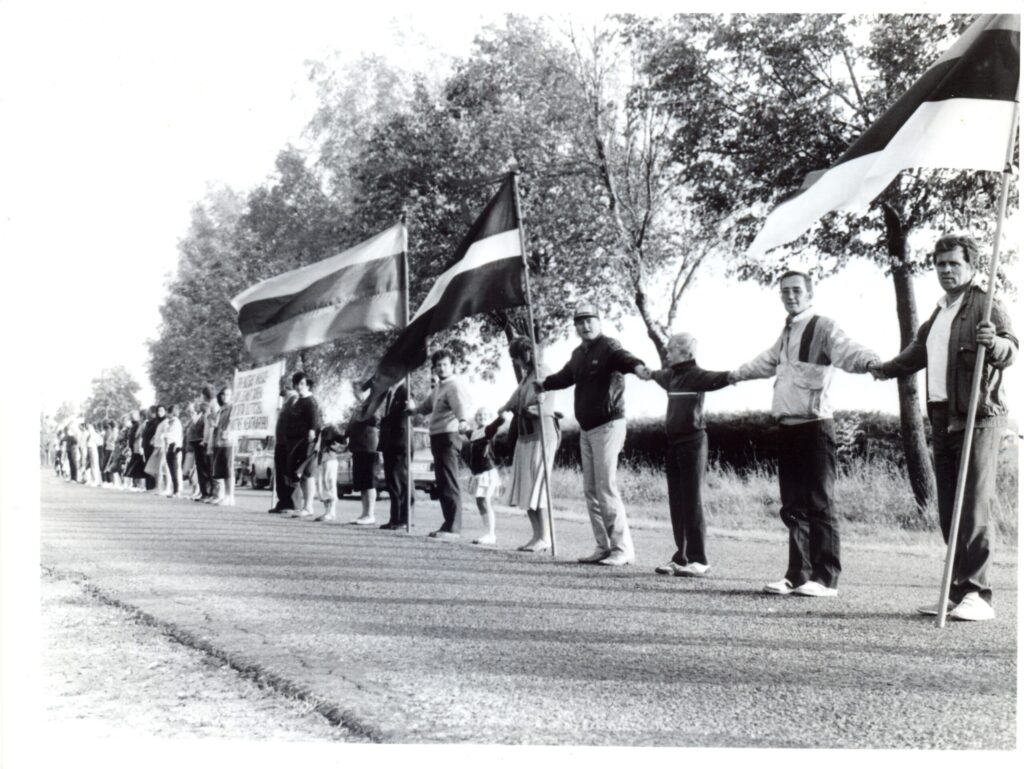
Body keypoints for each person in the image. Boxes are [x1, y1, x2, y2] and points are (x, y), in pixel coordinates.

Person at [871, 235, 1017, 622]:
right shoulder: (938, 313)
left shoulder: (986, 303)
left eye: (954, 263)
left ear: (970, 267)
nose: (947, 270)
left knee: (972, 507)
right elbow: (916, 354)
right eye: (940, 264)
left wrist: (997, 345)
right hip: (940, 417)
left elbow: (1011, 347)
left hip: (978, 416)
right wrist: (884, 369)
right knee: (949, 507)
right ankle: (957, 592)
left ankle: (979, 595)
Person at [728, 271, 879, 597]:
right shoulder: (787, 331)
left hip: (814, 428)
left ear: (810, 293)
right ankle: (798, 575)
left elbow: (846, 349)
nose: (790, 296)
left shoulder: (823, 326)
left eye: (796, 290)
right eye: (785, 291)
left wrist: (870, 362)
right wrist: (734, 374)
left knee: (819, 504)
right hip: (788, 427)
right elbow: (766, 362)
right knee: (793, 506)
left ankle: (825, 579)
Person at [538, 303, 647, 566]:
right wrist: (544, 383)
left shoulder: (609, 346)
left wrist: (639, 367)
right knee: (590, 490)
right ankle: (604, 546)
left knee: (605, 487)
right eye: (580, 322)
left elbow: (625, 358)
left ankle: (623, 549)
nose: (585, 325)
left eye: (590, 320)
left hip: (609, 425)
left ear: (599, 322)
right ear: (575, 326)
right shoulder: (578, 353)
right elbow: (565, 376)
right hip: (586, 429)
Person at [640, 333, 730, 577]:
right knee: (677, 502)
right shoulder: (670, 376)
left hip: (693, 441)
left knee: (692, 501)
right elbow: (654, 374)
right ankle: (682, 556)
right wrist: (644, 372)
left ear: (687, 353)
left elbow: (721, 378)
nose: (666, 353)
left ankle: (699, 560)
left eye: (671, 349)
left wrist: (737, 375)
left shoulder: (697, 375)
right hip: (673, 443)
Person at [488, 336, 560, 552]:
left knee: (538, 486)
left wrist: (531, 409)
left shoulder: (544, 373)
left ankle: (545, 536)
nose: (517, 363)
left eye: (517, 358)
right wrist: (506, 406)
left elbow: (546, 404)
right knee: (526, 487)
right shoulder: (527, 376)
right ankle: (537, 535)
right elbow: (517, 396)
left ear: (527, 354)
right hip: (525, 435)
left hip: (542, 435)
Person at [411, 350, 472, 540]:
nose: (441, 368)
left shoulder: (453, 386)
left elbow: (461, 406)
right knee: (442, 483)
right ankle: (448, 524)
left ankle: (453, 528)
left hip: (448, 436)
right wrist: (412, 410)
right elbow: (427, 406)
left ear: (452, 366)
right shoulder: (439, 387)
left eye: (445, 364)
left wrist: (463, 420)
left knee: (448, 482)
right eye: (438, 365)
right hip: (437, 437)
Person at [377, 381, 413, 530]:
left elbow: (410, 405)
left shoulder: (405, 389)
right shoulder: (391, 391)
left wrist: (411, 404)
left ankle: (404, 518)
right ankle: (395, 517)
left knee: (401, 482)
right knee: (392, 482)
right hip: (390, 442)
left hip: (400, 442)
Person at [285, 372, 322, 518]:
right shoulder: (298, 401)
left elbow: (313, 422)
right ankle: (305, 506)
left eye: (302, 383)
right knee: (300, 474)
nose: (299, 386)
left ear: (307, 385)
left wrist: (311, 433)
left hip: (306, 442)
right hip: (296, 441)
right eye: (297, 384)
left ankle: (309, 506)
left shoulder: (310, 401)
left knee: (307, 473)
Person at [344, 385, 380, 526]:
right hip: (358, 447)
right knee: (362, 483)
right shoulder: (358, 407)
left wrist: (366, 403)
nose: (355, 394)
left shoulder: (373, 404)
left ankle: (370, 514)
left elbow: (375, 420)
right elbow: (351, 426)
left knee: (369, 482)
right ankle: (364, 513)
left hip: (369, 447)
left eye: (357, 391)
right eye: (354, 391)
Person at [465, 407, 500, 545]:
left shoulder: (488, 430)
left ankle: (491, 535)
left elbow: (499, 422)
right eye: (479, 415)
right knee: (480, 502)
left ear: (490, 417)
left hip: (487, 471)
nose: (482, 417)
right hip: (479, 472)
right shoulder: (474, 433)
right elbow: (465, 431)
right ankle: (488, 533)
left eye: (485, 415)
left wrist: (502, 415)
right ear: (475, 418)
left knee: (485, 501)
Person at [268, 378, 299, 514]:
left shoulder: (294, 399)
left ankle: (291, 503)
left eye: (281, 385)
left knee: (288, 474)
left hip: (288, 443)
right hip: (280, 442)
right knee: (280, 473)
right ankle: (283, 501)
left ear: (286, 386)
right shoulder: (285, 402)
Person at [315, 419, 346, 523]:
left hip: (329, 460)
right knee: (322, 486)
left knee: (329, 485)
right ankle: (327, 511)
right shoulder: (321, 430)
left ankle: (331, 512)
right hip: (323, 460)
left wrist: (337, 446)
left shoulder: (331, 429)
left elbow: (343, 440)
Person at [210, 388, 235, 506]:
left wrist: (227, 431)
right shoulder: (221, 410)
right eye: (223, 394)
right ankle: (225, 495)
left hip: (228, 441)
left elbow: (233, 422)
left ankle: (230, 495)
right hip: (219, 441)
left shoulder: (232, 408)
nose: (225, 397)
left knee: (228, 469)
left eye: (228, 394)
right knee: (223, 470)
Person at [200, 385, 220, 502]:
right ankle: (212, 493)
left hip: (212, 439)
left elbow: (213, 424)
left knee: (212, 468)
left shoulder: (213, 405)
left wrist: (208, 440)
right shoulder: (211, 405)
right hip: (208, 439)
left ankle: (215, 493)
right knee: (209, 468)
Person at [163, 404, 184, 498]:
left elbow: (173, 435)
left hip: (174, 446)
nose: (166, 414)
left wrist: (164, 435)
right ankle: (174, 489)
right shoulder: (170, 422)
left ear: (171, 412)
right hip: (169, 446)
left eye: (168, 412)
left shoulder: (176, 422)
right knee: (171, 469)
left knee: (175, 469)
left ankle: (177, 490)